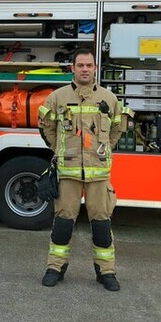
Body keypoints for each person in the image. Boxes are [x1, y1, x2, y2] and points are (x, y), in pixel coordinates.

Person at [36, 48, 126, 290]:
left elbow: (117, 129)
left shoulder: (110, 99)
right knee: (63, 222)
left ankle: (106, 272)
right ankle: (55, 268)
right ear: (72, 68)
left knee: (101, 224)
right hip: (68, 172)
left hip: (98, 174)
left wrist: (104, 149)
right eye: (81, 65)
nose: (85, 69)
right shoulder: (57, 97)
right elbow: (46, 127)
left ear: (96, 68)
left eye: (89, 65)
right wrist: (60, 149)